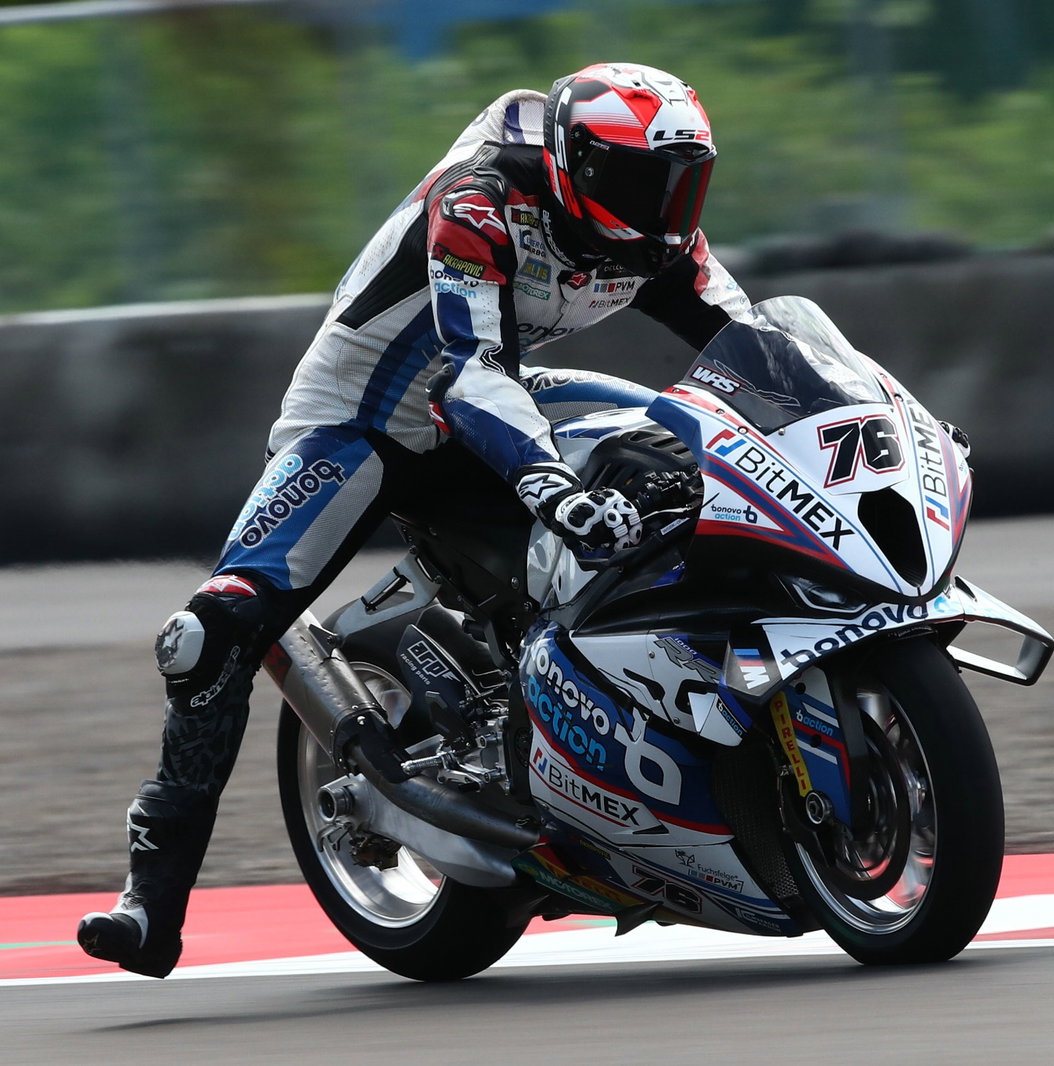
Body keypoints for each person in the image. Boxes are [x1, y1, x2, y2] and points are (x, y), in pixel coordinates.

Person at [76, 62, 756, 978]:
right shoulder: (481, 203)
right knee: (208, 635)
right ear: (573, 166)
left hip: (500, 394)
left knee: (682, 465)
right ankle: (150, 901)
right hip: (369, 416)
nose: (661, 204)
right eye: (637, 180)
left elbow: (756, 350)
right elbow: (470, 371)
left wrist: (871, 418)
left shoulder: (662, 237)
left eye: (681, 181)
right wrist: (552, 486)